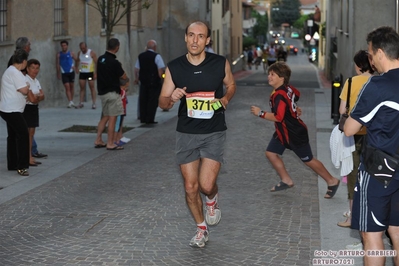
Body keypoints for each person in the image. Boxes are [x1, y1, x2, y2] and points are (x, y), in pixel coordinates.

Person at [158, 21, 236, 248]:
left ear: (207, 40)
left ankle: (212, 199)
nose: (195, 40)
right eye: (191, 35)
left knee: (205, 185)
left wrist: (225, 98)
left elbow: (231, 85)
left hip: (214, 131)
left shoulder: (220, 63)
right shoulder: (174, 67)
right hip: (186, 133)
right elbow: (162, 103)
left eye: (200, 36)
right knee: (190, 187)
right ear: (185, 38)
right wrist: (171, 98)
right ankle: (201, 228)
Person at [344, 26, 399, 266]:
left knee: (372, 234)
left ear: (379, 53)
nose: (369, 58)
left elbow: (349, 129)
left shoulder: (376, 86)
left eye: (369, 53)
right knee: (397, 231)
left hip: (380, 169)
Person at [250, 62, 340, 196]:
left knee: (308, 160)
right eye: (269, 74)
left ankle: (332, 181)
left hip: (294, 133)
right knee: (270, 153)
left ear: (282, 78)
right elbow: (296, 95)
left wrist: (260, 113)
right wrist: (293, 109)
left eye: (273, 74)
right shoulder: (287, 88)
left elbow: (278, 117)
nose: (269, 77)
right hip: (283, 132)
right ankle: (286, 180)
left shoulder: (280, 94)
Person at [337, 50, 374, 229]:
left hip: (353, 135)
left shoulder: (351, 82)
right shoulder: (377, 82)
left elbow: (342, 110)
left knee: (352, 176)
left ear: (359, 65)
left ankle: (352, 217)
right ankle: (371, 213)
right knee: (372, 175)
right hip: (373, 135)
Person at [95, 38, 129, 150]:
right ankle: (110, 143)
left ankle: (98, 139)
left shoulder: (100, 59)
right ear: (117, 47)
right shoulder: (114, 62)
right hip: (113, 93)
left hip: (102, 92)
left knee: (105, 117)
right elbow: (123, 76)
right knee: (113, 118)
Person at [0, 49, 30, 176]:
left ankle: (13, 164)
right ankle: (22, 166)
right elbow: (24, 90)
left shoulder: (10, 71)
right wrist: (27, 86)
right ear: (23, 62)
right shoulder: (15, 72)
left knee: (12, 136)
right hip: (12, 110)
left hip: (9, 109)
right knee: (23, 135)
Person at [134, 40, 165, 124]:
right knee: (152, 100)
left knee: (143, 99)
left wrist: (136, 79)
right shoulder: (157, 56)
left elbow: (136, 69)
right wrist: (163, 79)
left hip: (143, 82)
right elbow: (160, 71)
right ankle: (150, 118)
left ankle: (143, 117)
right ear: (155, 47)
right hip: (153, 82)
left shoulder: (140, 56)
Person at [23, 59, 45, 167]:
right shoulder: (26, 80)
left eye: (37, 68)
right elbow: (32, 99)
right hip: (27, 108)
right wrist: (37, 97)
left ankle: (30, 155)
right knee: (28, 134)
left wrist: (37, 97)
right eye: (32, 68)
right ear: (27, 68)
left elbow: (42, 95)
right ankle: (27, 157)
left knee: (32, 133)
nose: (35, 71)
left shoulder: (36, 81)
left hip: (34, 108)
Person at [75, 42, 98, 109]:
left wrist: (96, 73)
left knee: (92, 87)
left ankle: (94, 103)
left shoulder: (91, 53)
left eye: (84, 48)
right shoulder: (79, 53)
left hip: (90, 73)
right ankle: (81, 103)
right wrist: (76, 67)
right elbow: (77, 60)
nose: (82, 50)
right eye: (81, 48)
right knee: (82, 88)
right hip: (82, 73)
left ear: (86, 47)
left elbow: (97, 63)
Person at [56, 40, 77, 108]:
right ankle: (70, 101)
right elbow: (57, 64)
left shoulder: (71, 53)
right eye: (62, 46)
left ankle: (71, 100)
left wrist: (75, 67)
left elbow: (77, 60)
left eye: (65, 45)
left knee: (71, 86)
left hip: (71, 72)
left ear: (67, 46)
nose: (63, 47)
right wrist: (58, 72)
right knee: (67, 87)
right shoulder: (59, 54)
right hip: (64, 72)